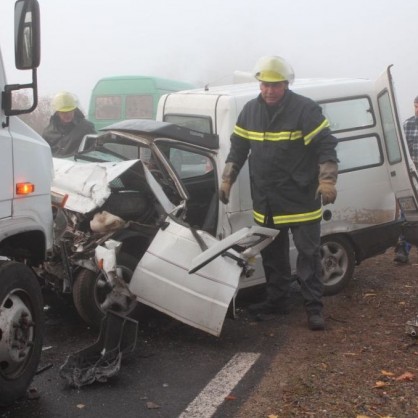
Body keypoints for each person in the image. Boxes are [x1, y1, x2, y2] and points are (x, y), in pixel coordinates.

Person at [219, 56, 338, 331]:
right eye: (264, 85)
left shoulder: (305, 110)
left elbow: (326, 146)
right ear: (259, 84)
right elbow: (238, 148)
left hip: (300, 200)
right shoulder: (249, 111)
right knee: (273, 256)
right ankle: (277, 302)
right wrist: (227, 180)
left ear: (285, 84)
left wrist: (328, 180)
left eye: (275, 85)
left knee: (308, 256)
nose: (269, 91)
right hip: (267, 201)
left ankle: (314, 309)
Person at [393, 95, 418, 263]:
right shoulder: (407, 125)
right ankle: (403, 249)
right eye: (416, 106)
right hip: (413, 176)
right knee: (408, 213)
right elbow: (402, 153)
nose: (417, 110)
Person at [42, 91, 96, 158]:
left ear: (74, 109)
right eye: (63, 112)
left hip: (80, 167)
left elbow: (95, 152)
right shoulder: (48, 133)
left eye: (70, 111)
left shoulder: (87, 128)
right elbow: (44, 156)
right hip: (55, 167)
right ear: (57, 112)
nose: (67, 115)